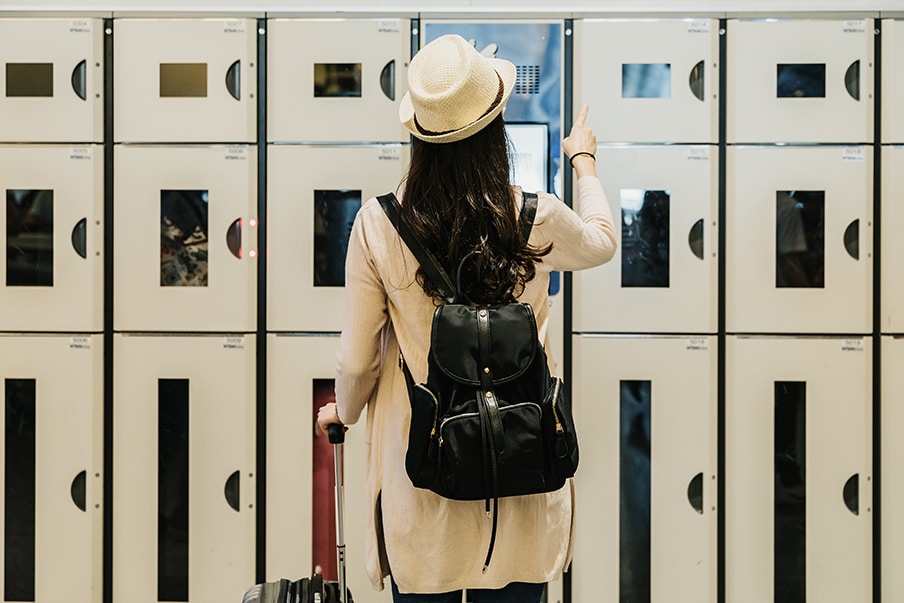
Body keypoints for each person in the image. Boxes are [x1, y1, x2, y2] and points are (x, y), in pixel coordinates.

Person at [316, 33, 617, 602]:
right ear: (494, 131)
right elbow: (602, 242)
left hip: (426, 485)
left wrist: (344, 411)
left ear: (421, 139)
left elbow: (355, 362)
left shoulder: (379, 226)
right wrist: (584, 161)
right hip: (522, 484)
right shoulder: (534, 217)